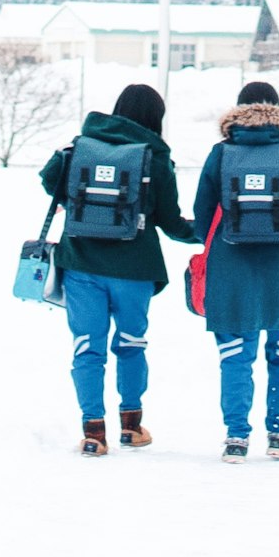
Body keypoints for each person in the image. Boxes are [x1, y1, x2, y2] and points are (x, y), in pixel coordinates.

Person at [37, 80, 197, 456]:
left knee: (87, 347)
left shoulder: (79, 147)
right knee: (131, 345)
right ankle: (132, 425)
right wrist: (206, 233)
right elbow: (171, 222)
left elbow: (49, 183)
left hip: (81, 264)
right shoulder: (154, 158)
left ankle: (93, 431)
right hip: (135, 269)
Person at [189, 78, 279, 459]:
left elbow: (202, 217)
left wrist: (227, 239)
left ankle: (236, 437)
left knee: (236, 353)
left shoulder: (221, 153)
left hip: (232, 266)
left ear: (237, 111)